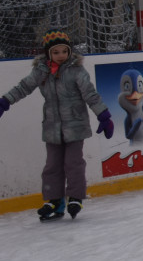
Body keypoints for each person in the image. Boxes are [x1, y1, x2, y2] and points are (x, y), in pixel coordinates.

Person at [0, 28, 114, 220]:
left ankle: (75, 197)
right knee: (52, 165)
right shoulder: (41, 71)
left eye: (64, 51)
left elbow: (90, 94)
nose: (60, 55)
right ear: (48, 53)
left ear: (69, 51)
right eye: (55, 52)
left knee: (73, 163)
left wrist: (104, 115)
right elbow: (23, 87)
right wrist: (5, 101)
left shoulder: (76, 70)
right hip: (52, 127)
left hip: (75, 126)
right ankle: (54, 201)